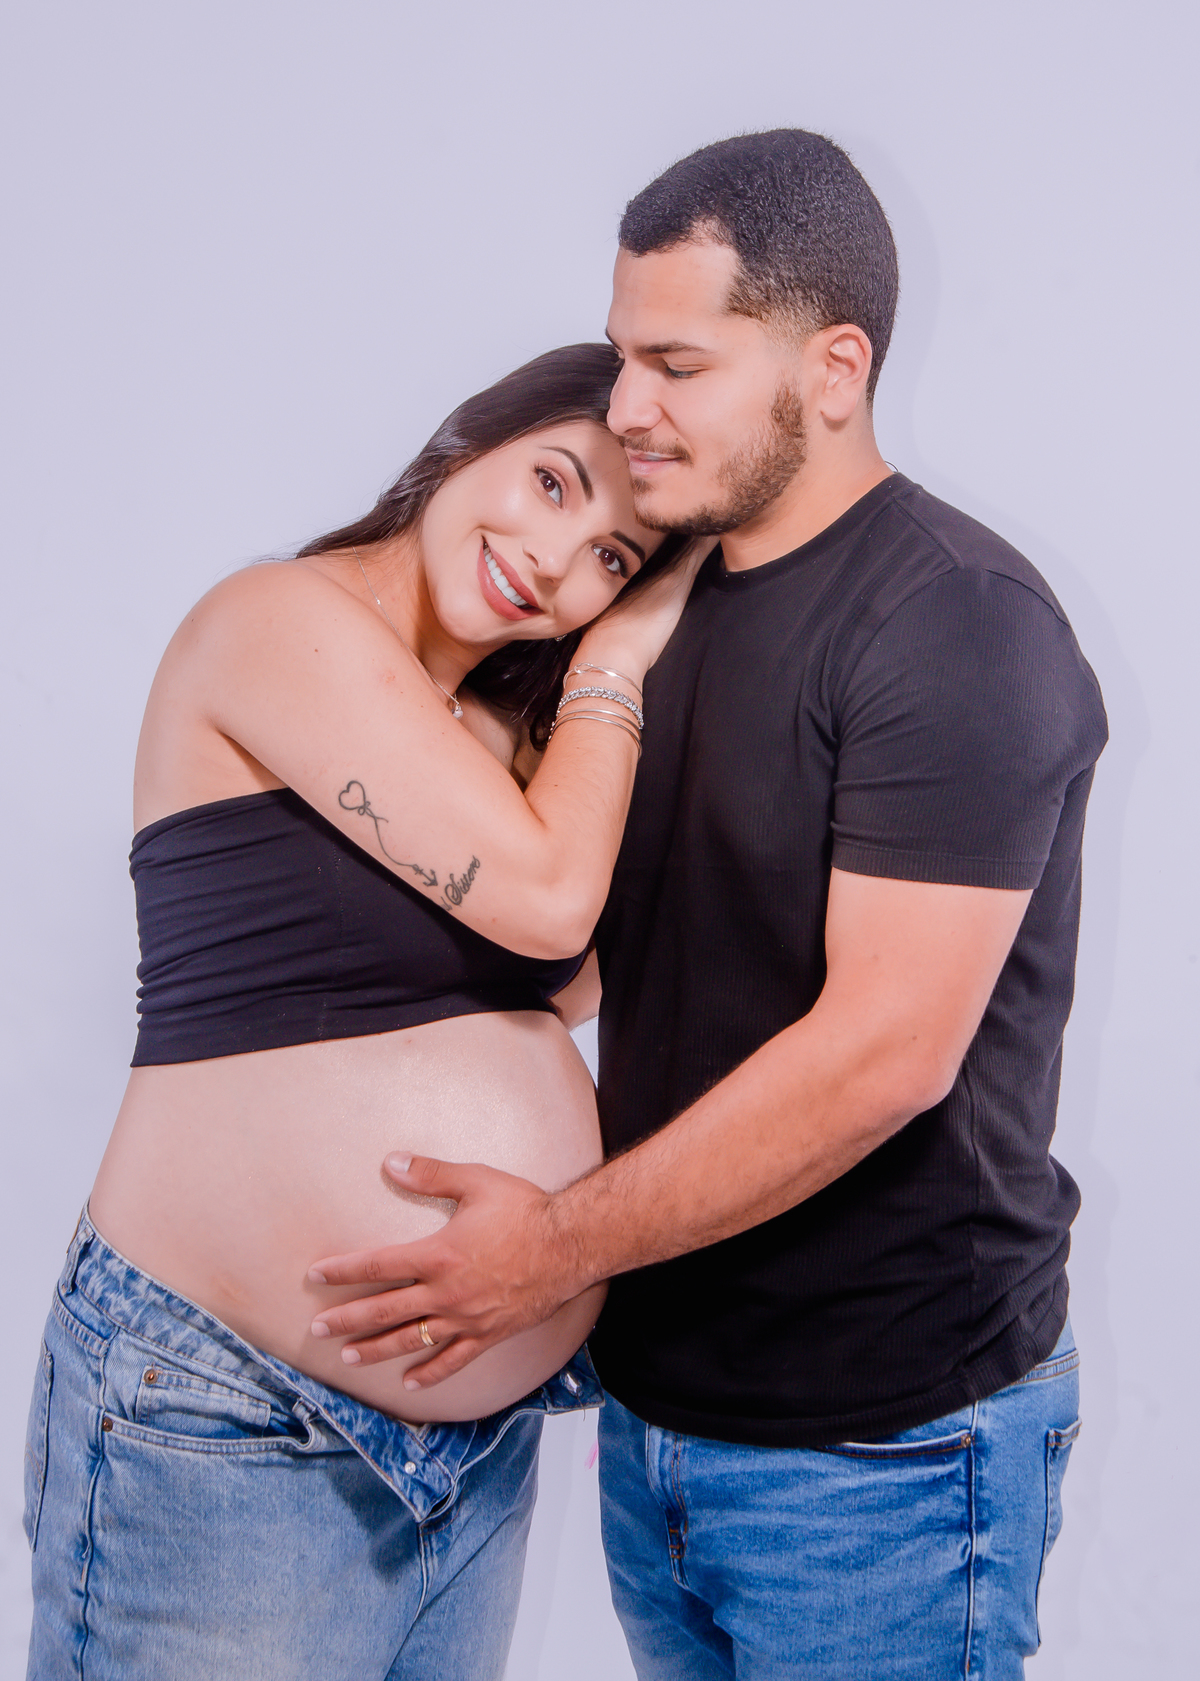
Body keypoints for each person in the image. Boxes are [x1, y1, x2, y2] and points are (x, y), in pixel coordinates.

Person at [311, 132, 1109, 1679]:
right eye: (622, 354)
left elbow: (884, 1054)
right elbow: (578, 948)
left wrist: (547, 1247)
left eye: (678, 365)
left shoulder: (956, 622)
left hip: (883, 1452)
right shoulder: (646, 608)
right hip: (656, 1423)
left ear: (834, 368)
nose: (625, 407)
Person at [22, 342, 699, 1680]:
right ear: (475, 433)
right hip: (224, 1417)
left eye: (614, 559)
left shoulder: (503, 735)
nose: (554, 560)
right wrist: (621, 653)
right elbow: (552, 904)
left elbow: (579, 972)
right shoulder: (280, 620)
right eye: (552, 483)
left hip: (473, 1456)